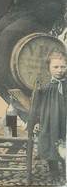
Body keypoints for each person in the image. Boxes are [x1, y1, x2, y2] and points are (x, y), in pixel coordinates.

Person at [31, 50, 66, 180]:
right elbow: (38, 106)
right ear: (49, 68)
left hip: (65, 120)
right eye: (55, 67)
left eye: (63, 66)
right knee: (52, 143)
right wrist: (37, 121)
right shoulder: (45, 87)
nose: (59, 70)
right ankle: (54, 171)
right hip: (50, 121)